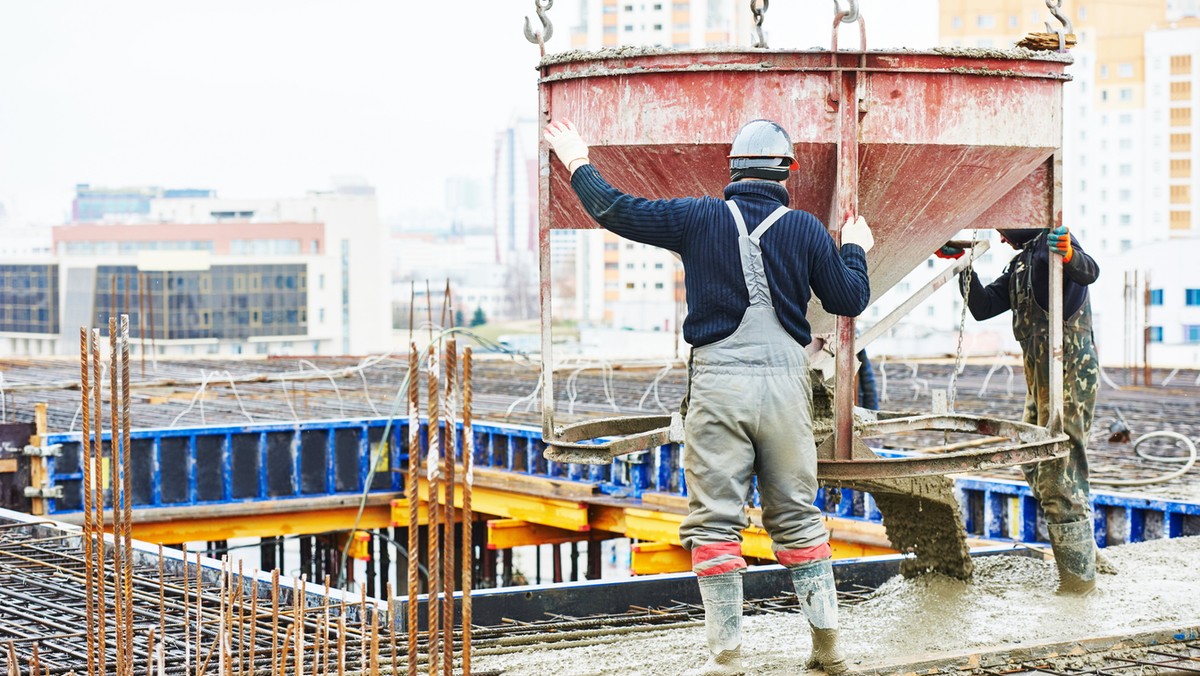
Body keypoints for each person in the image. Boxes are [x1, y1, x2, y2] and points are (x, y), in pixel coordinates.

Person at [545, 118, 872, 675]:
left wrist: (574, 155)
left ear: (732, 172)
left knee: (716, 523)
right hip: (786, 394)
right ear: (787, 173)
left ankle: (726, 660)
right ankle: (829, 652)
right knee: (797, 517)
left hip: (718, 389)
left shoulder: (697, 217)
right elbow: (851, 297)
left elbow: (613, 210)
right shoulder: (808, 230)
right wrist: (857, 248)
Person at [947, 226, 1100, 594]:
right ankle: (1086, 551)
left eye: (1004, 230)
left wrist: (1068, 253)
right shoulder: (1021, 265)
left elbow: (1089, 271)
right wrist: (964, 265)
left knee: (1060, 471)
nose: (1001, 238)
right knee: (1033, 462)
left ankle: (1080, 585)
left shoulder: (1052, 249)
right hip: (1041, 381)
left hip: (1069, 376)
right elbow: (983, 308)